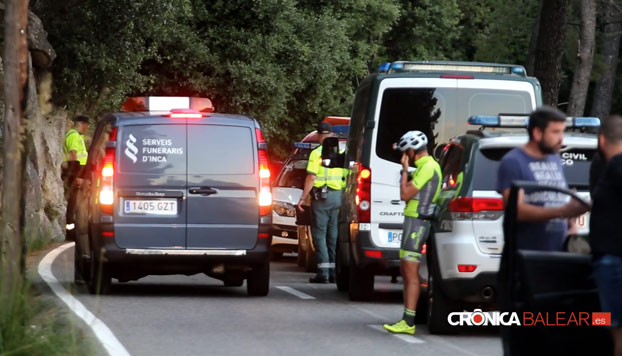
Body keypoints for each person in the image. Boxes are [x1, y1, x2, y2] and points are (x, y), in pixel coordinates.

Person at [497, 106, 588, 251]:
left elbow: (556, 199)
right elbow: (517, 210)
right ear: (538, 133)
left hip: (557, 255)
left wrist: (571, 224)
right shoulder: (513, 161)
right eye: (555, 132)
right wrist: (563, 211)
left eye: (562, 132)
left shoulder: (555, 159)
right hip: (526, 258)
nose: (561, 139)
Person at [383, 130, 441, 335]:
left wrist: (405, 170)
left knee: (410, 273)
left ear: (411, 150)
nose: (404, 155)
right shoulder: (425, 166)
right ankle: (407, 319)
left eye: (405, 151)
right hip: (412, 221)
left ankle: (409, 321)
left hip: (417, 222)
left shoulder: (428, 167)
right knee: (406, 274)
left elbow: (404, 194)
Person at [589, 115, 622, 356]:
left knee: (611, 324)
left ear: (602, 140)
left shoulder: (613, 166)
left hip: (611, 261)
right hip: (608, 261)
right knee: (603, 321)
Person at [296, 121, 345, 283]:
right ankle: (333, 273)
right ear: (331, 135)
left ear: (318, 136)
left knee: (319, 234)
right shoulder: (341, 152)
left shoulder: (317, 153)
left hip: (322, 198)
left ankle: (323, 272)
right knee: (333, 235)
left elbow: (311, 177)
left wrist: (303, 198)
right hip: (338, 196)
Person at [62, 115, 89, 239]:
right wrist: (77, 176)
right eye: (86, 125)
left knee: (75, 203)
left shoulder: (77, 136)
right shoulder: (73, 136)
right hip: (74, 173)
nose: (87, 127)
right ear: (82, 124)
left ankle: (75, 230)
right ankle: (70, 232)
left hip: (77, 173)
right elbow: (73, 154)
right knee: (72, 204)